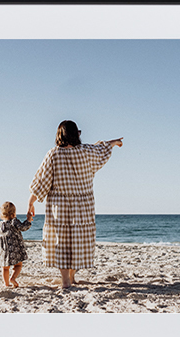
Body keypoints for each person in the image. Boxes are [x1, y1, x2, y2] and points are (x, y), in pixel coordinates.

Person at [27, 120, 123, 291]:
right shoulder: (86, 151)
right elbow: (102, 148)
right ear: (76, 134)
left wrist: (31, 203)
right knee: (79, 240)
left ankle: (66, 280)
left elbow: (42, 182)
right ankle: (72, 276)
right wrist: (114, 142)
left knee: (61, 241)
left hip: (60, 206)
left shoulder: (53, 154)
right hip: (83, 206)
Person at [0, 201, 31, 288]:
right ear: (13, 214)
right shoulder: (14, 222)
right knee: (18, 264)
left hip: (3, 250)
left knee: (5, 267)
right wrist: (28, 220)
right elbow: (23, 227)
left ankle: (6, 283)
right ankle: (12, 278)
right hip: (15, 249)